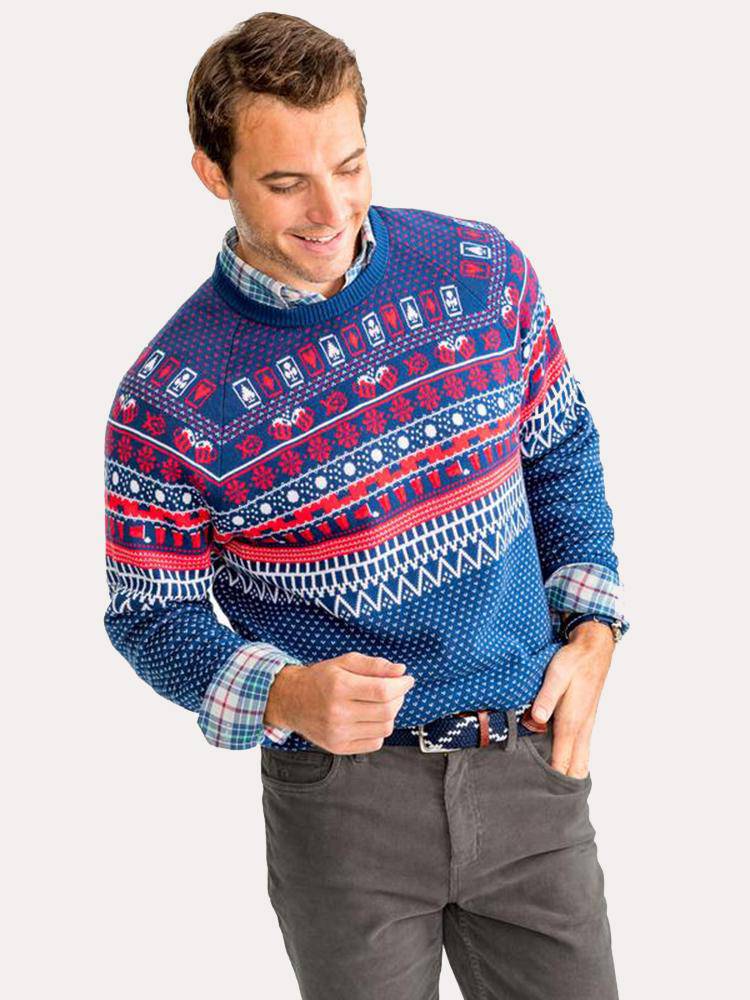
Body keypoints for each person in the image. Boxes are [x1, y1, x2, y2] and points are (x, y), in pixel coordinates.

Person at [102, 12, 629, 999]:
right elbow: (149, 614)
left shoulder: (484, 272)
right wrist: (284, 695)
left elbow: (559, 445)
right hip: (342, 808)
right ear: (213, 174)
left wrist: (594, 629)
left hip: (529, 762)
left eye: (349, 165)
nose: (330, 208)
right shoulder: (168, 400)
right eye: (285, 181)